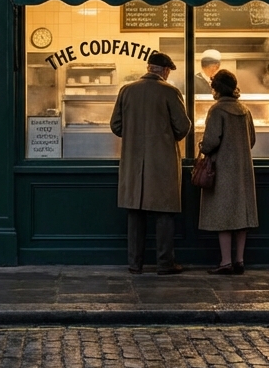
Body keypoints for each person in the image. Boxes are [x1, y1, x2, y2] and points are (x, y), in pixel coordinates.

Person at [110, 51, 191, 275]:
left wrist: (135, 134)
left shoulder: (127, 90)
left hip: (133, 161)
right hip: (162, 161)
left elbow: (116, 126)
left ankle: (135, 263)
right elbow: (183, 127)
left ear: (148, 68)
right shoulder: (170, 92)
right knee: (164, 213)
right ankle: (165, 263)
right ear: (165, 71)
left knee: (135, 212)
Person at [197, 69, 259, 275]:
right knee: (241, 215)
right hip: (243, 170)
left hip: (222, 169)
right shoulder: (244, 110)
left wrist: (201, 145)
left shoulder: (217, 111)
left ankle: (225, 262)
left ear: (217, 89)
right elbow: (251, 140)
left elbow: (211, 142)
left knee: (223, 216)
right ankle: (239, 260)